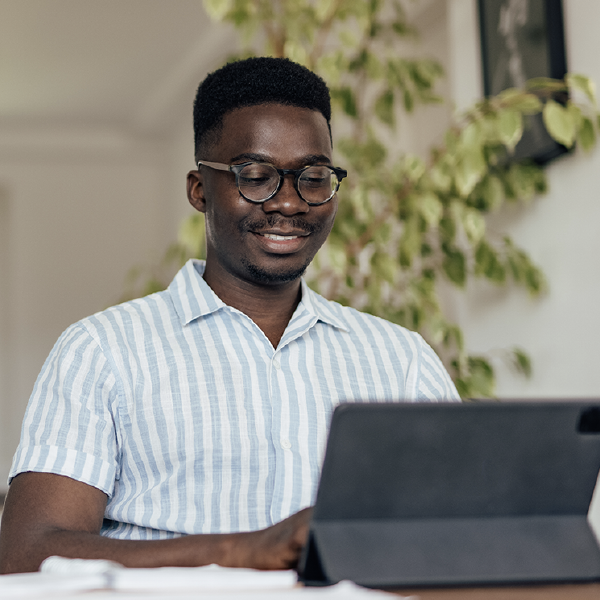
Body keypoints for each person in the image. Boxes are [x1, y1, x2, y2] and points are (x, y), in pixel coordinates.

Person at [0, 57, 459, 575]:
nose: (288, 203)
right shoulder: (102, 352)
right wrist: (235, 552)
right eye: (256, 176)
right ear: (199, 190)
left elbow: (466, 531)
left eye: (312, 177)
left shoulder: (401, 361)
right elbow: (26, 553)